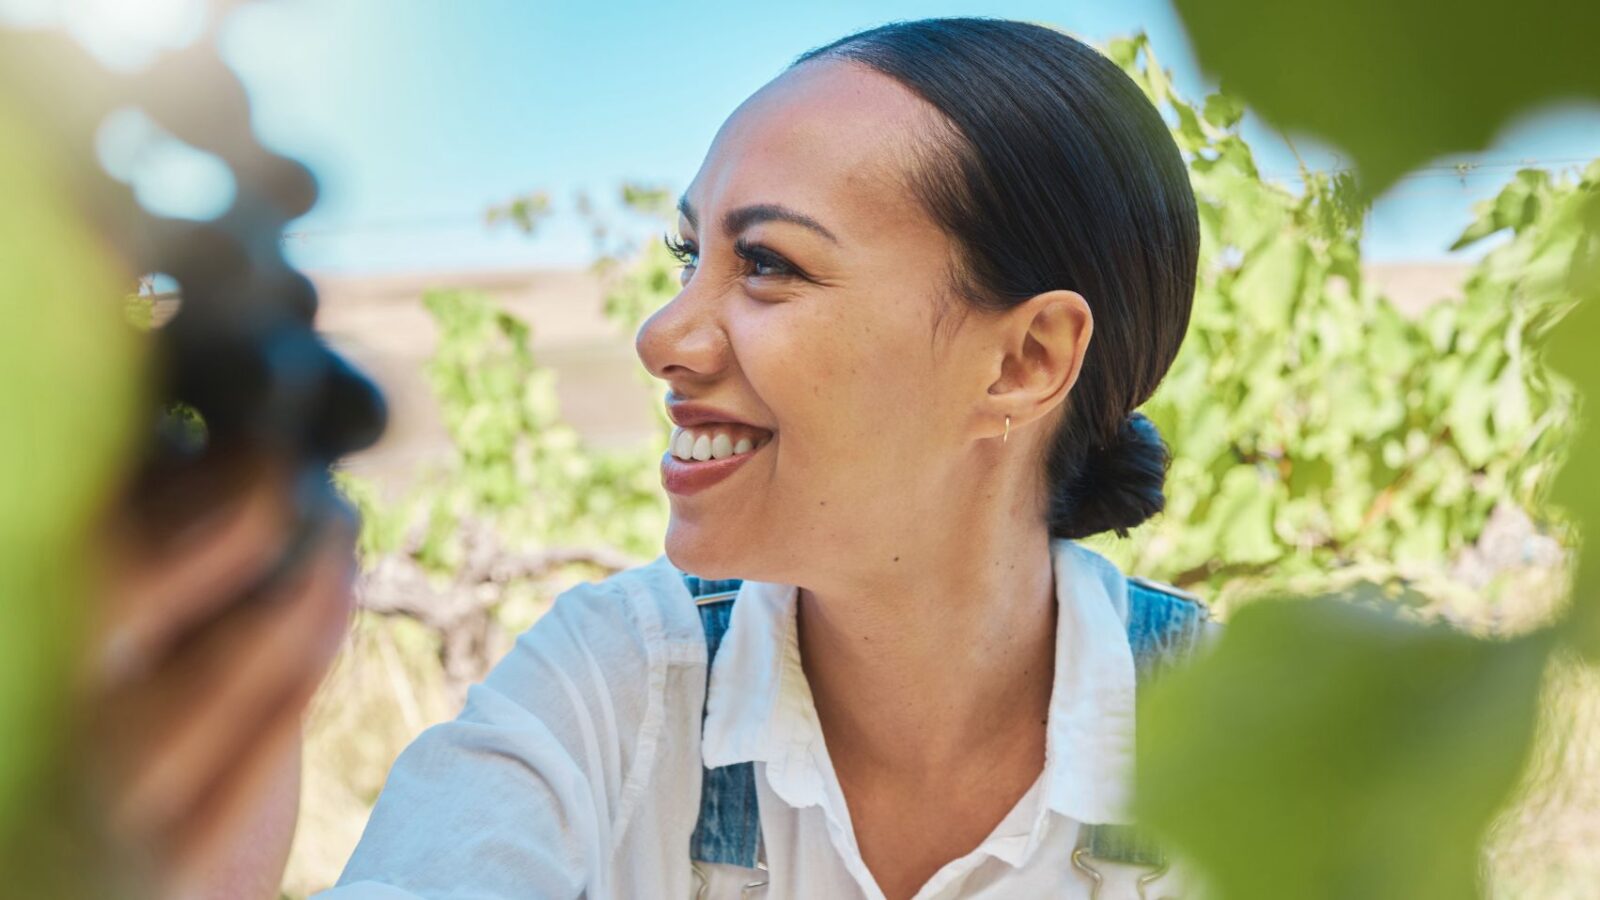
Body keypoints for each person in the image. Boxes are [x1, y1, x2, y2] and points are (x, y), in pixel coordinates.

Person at [141, 15, 1202, 899]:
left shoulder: (1258, 761)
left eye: (770, 265)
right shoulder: (614, 685)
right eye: (691, 256)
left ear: (1022, 360)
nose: (661, 336)